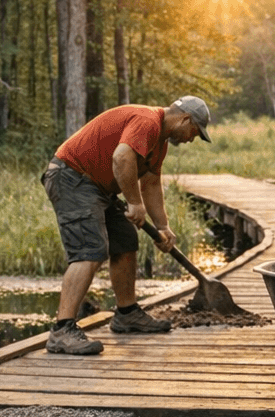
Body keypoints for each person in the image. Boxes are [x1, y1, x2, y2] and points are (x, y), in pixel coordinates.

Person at [41, 96, 212, 355]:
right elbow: (122, 158)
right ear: (185, 119)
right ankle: (62, 330)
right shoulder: (147, 121)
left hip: (99, 188)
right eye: (195, 132)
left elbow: (151, 183)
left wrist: (163, 227)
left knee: (125, 240)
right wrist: (134, 203)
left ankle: (126, 314)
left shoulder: (160, 142)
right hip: (71, 177)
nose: (191, 139)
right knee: (90, 249)